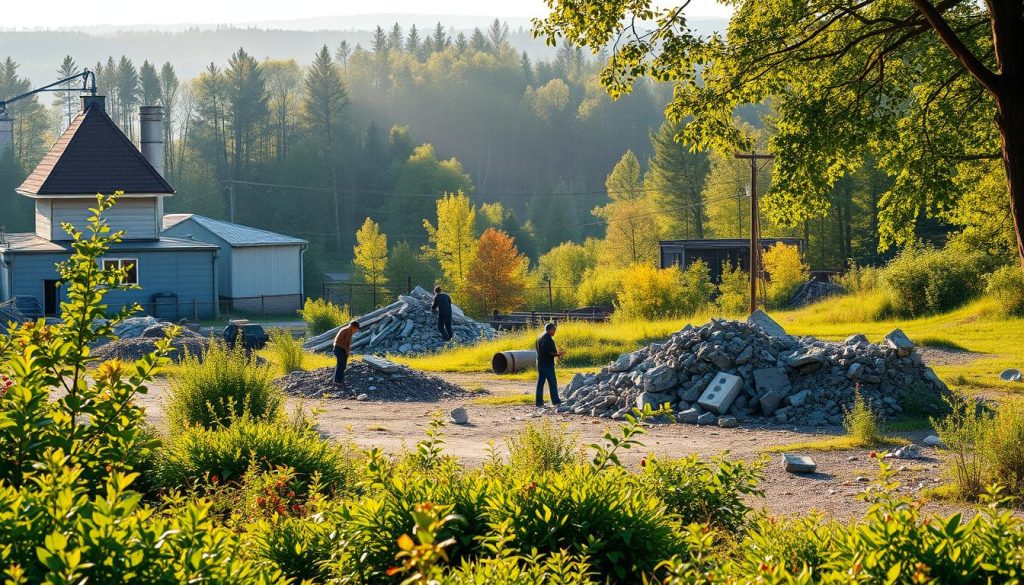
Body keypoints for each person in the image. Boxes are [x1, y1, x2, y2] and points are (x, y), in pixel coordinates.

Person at [535, 321, 565, 408]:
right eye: (554, 330)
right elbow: (550, 352)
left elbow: (541, 350)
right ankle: (556, 402)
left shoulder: (539, 336)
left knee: (540, 383)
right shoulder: (548, 338)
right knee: (552, 382)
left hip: (540, 362)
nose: (555, 332)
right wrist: (559, 354)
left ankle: (539, 402)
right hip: (547, 364)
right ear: (551, 329)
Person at [332, 320, 360, 387]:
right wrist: (347, 353)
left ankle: (339, 380)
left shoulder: (347, 330)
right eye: (356, 329)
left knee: (342, 365)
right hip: (340, 348)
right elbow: (347, 344)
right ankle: (337, 381)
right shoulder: (347, 331)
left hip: (340, 348)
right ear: (353, 326)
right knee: (341, 365)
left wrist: (347, 352)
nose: (356, 331)